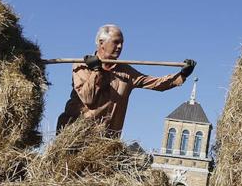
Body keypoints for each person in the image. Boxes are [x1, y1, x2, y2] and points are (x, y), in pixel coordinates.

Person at [56, 24, 195, 137]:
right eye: (116, 42)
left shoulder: (126, 72)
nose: (120, 47)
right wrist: (97, 71)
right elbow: (88, 98)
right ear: (101, 43)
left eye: (122, 43)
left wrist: (182, 74)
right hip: (76, 136)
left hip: (106, 141)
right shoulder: (82, 66)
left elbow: (156, 83)